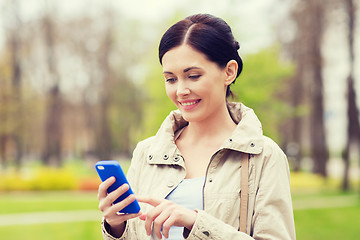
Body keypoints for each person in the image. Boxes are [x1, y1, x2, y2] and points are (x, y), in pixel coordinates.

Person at [97, 13, 296, 240]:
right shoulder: (146, 153)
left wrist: (196, 223)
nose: (180, 90)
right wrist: (115, 226)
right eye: (171, 79)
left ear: (229, 72)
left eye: (193, 76)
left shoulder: (264, 156)